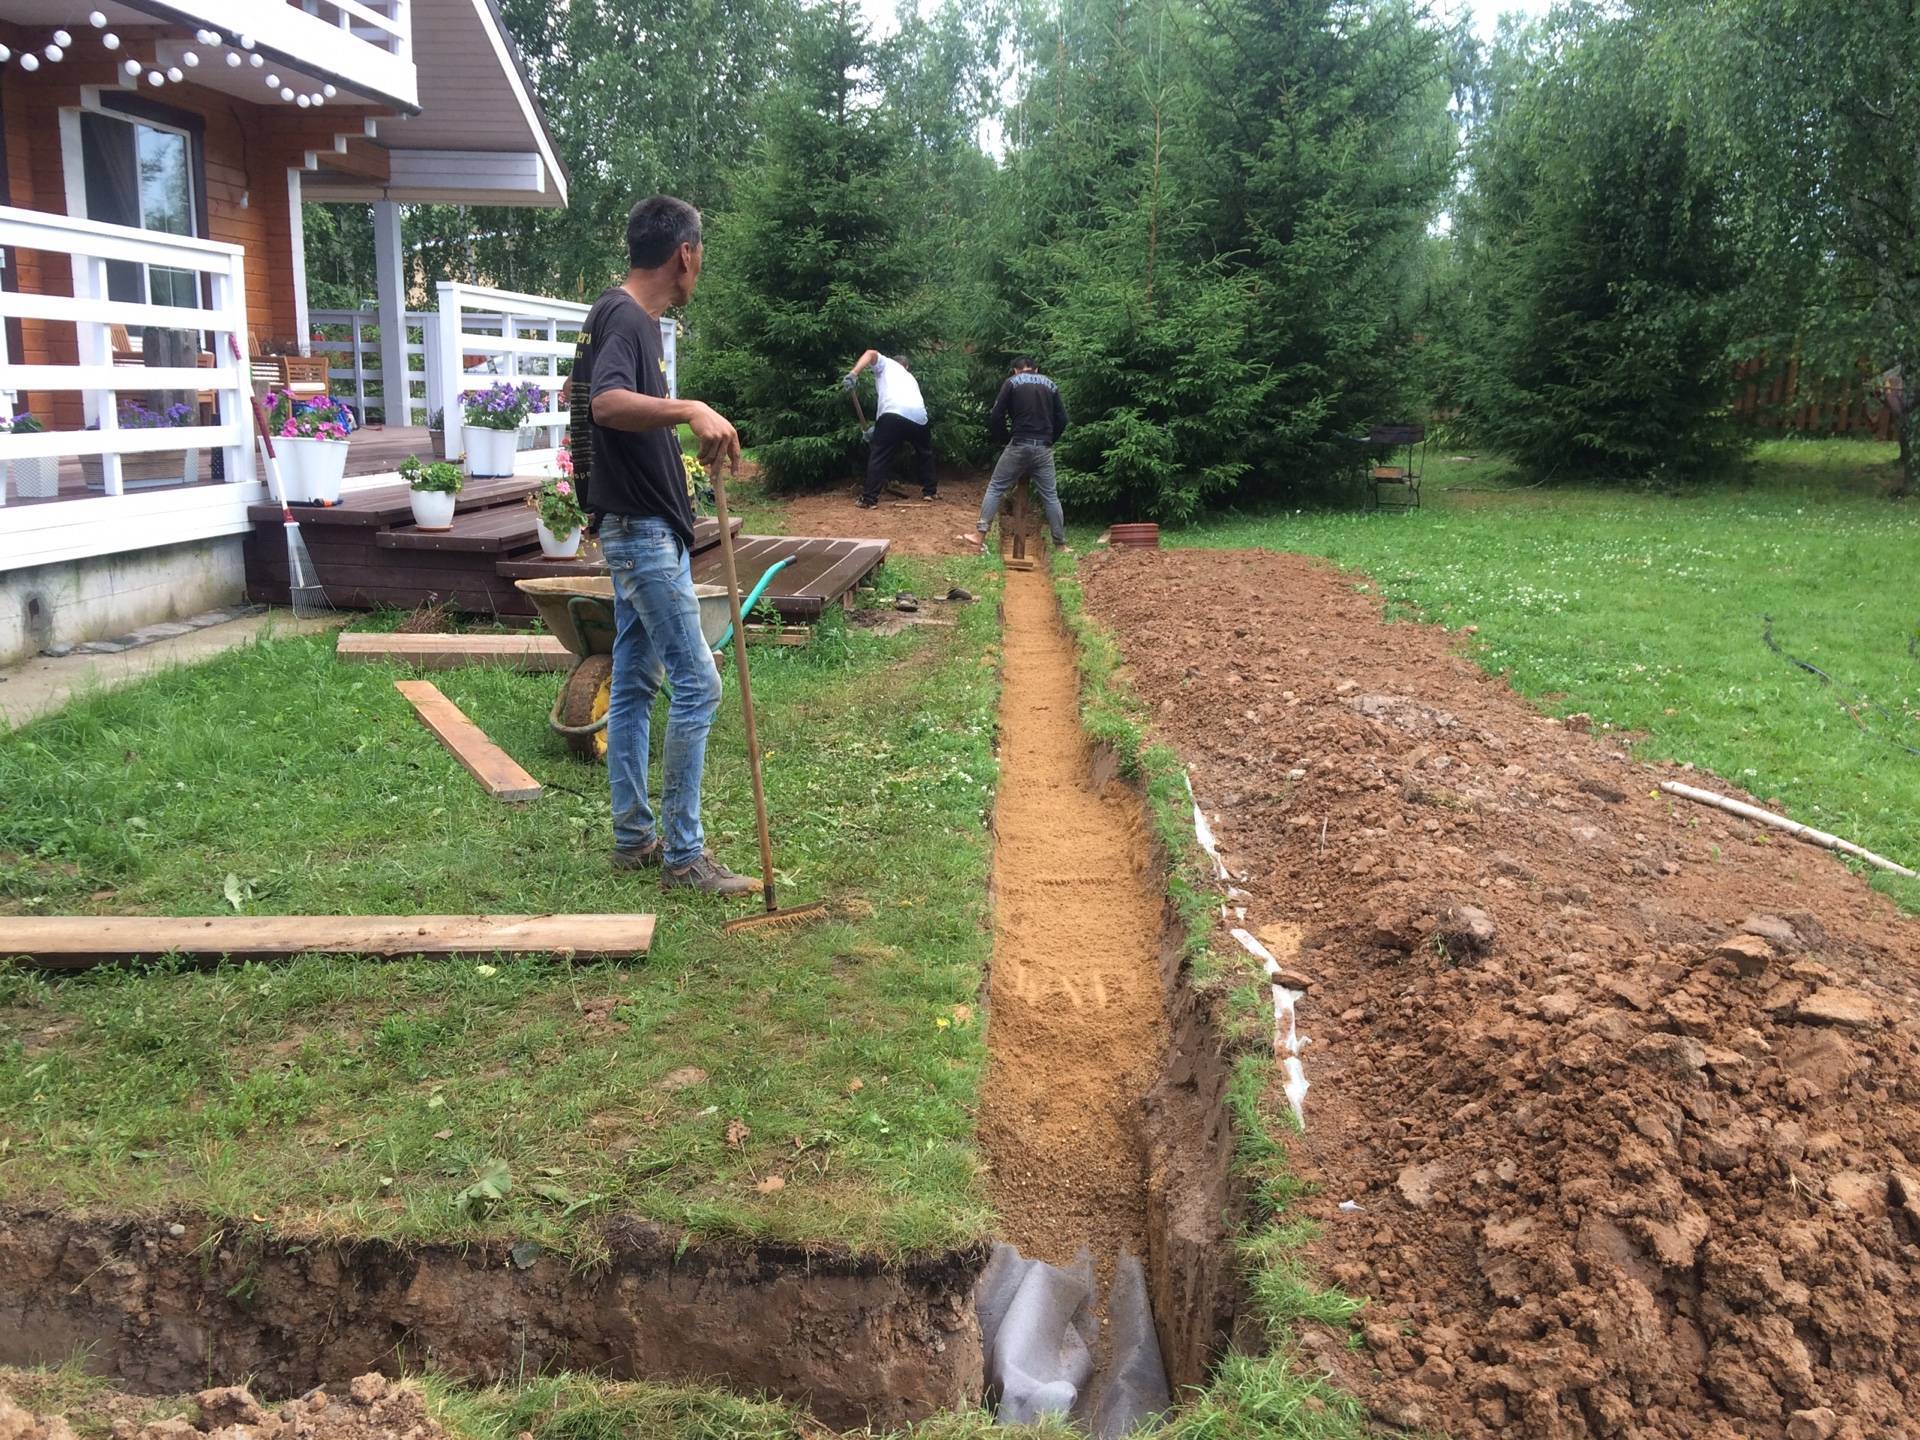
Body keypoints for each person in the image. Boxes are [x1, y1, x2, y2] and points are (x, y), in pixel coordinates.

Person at [577, 194, 756, 895]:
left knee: (633, 684)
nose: (700, 264)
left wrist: (680, 453)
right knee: (698, 683)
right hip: (642, 535)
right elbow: (606, 404)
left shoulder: (622, 317)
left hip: (640, 525)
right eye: (701, 253)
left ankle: (632, 837)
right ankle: (684, 856)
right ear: (685, 253)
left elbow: (620, 424)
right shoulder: (626, 317)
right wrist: (689, 408)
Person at [966, 357, 1070, 552]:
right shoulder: (1051, 384)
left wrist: (1005, 438)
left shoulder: (1011, 383)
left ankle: (979, 535)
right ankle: (1061, 545)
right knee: (1050, 496)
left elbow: (996, 415)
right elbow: (1063, 419)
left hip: (1019, 443)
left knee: (996, 487)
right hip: (1044, 447)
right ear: (1036, 369)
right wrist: (1049, 440)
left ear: (1015, 370)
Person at [843, 348, 936, 506]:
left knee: (879, 454)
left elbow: (870, 353)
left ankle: (869, 499)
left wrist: (854, 373)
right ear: (906, 366)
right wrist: (877, 431)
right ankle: (930, 491)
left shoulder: (887, 364)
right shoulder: (910, 378)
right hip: (919, 417)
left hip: (893, 413)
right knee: (925, 452)